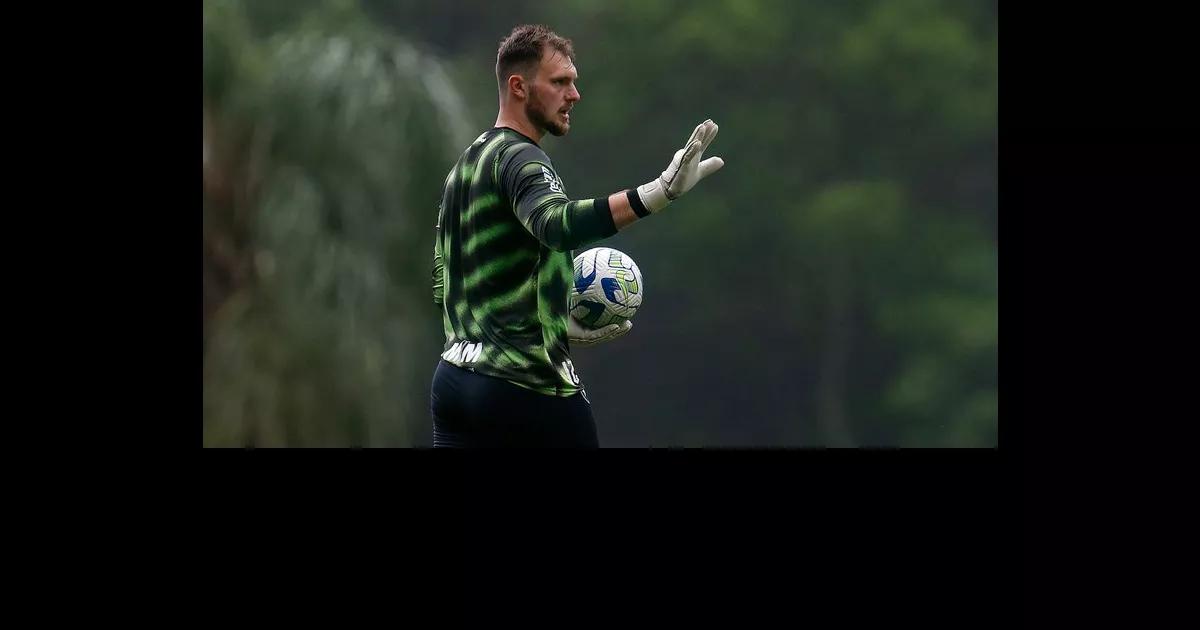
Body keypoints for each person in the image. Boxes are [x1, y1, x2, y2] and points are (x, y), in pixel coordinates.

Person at [430, 24, 724, 447]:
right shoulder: (523, 158)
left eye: (574, 82)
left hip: (455, 383)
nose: (574, 95)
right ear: (518, 86)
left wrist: (551, 323)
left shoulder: (465, 165)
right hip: (523, 382)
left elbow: (443, 282)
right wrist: (658, 193)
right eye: (560, 82)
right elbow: (556, 224)